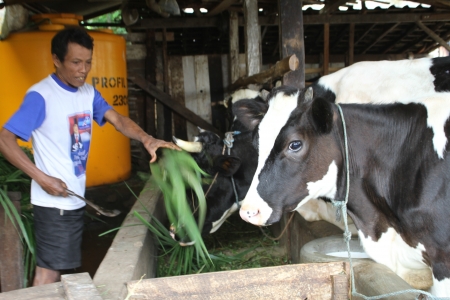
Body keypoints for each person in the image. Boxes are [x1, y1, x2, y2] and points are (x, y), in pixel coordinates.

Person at [0, 27, 180, 286]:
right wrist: (42, 178)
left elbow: (117, 119)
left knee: (60, 269)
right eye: (75, 62)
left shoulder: (88, 93)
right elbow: (4, 139)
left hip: (73, 200)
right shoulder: (41, 96)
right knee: (48, 273)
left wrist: (147, 139)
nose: (82, 70)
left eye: (87, 62)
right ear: (56, 59)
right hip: (53, 205)